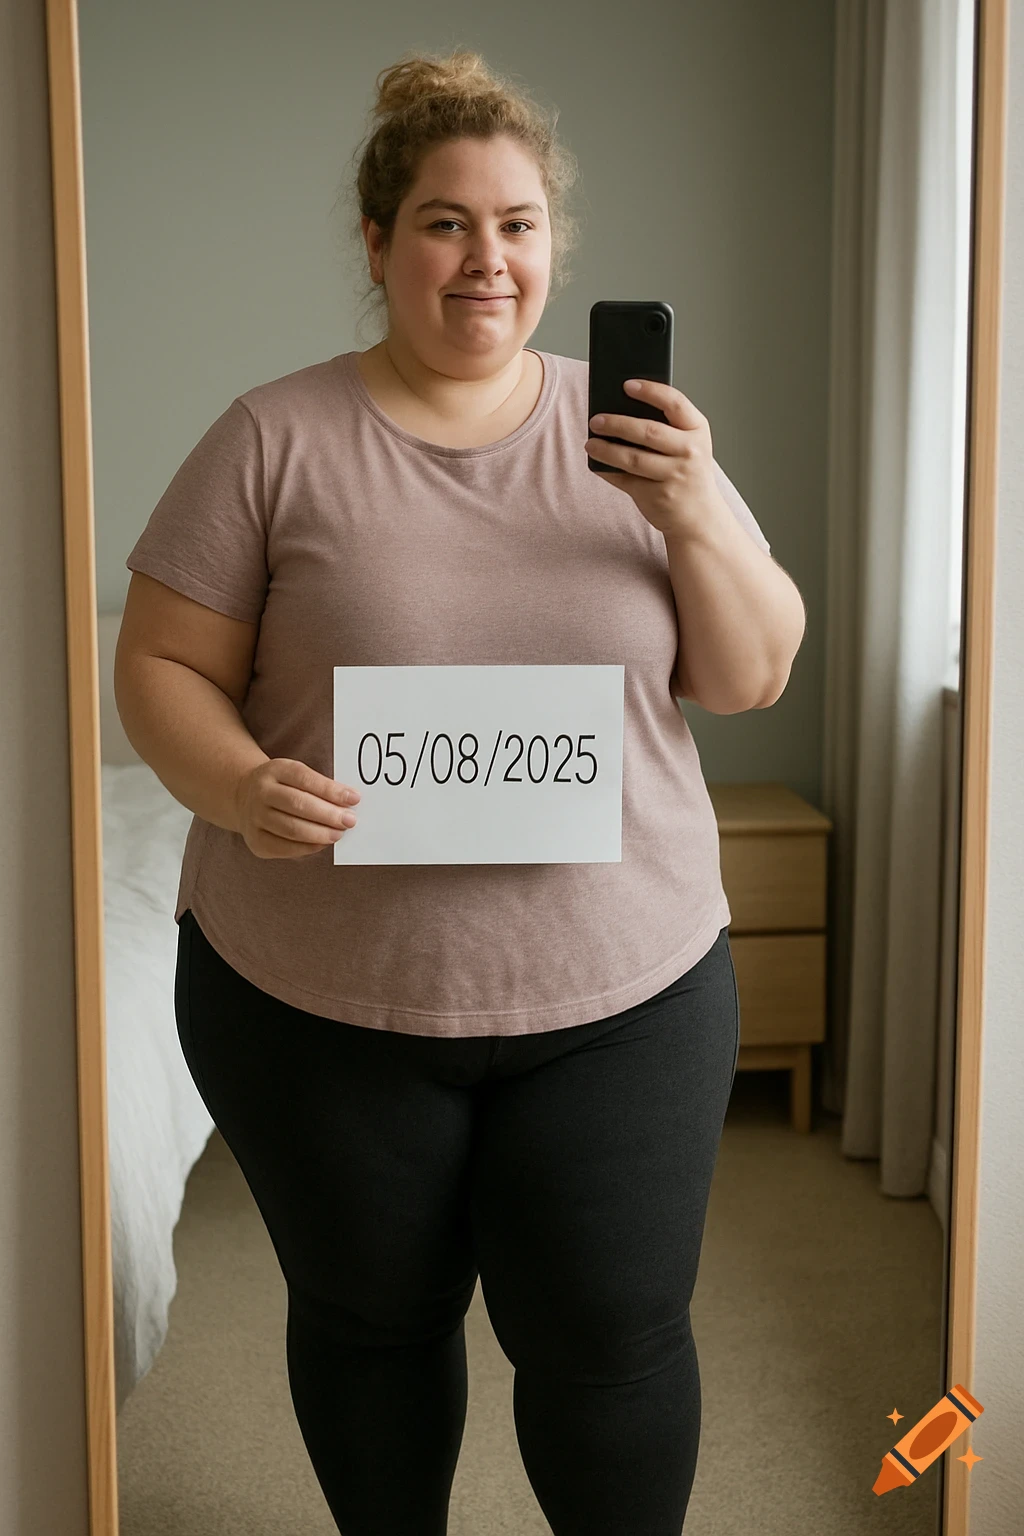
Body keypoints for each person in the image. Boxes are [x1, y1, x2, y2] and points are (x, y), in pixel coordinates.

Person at [115, 47, 806, 1536]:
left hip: (622, 990)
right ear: (378, 245)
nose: (485, 259)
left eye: (516, 225)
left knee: (614, 1341)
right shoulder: (270, 441)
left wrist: (691, 507)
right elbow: (159, 666)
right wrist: (238, 786)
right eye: (443, 222)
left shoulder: (640, 440)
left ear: (552, 248)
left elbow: (750, 673)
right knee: (371, 1325)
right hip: (317, 998)